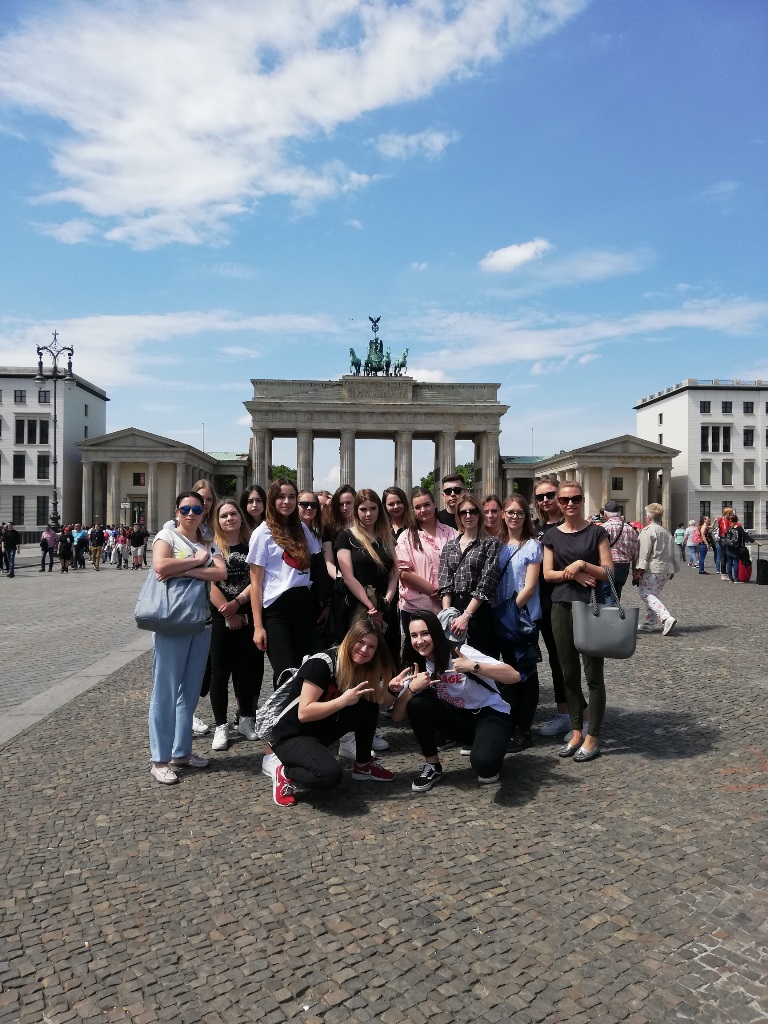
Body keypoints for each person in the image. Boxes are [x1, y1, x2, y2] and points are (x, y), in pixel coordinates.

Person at [270, 622, 405, 806]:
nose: (364, 650)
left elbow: (381, 704)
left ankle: (363, 765)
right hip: (292, 734)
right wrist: (342, 701)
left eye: (371, 647)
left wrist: (393, 690)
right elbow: (304, 713)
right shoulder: (322, 664)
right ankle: (285, 772)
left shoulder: (364, 668)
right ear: (349, 640)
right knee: (329, 777)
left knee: (368, 702)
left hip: (321, 729)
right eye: (360, 642)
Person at [390, 610, 520, 792]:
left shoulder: (460, 652)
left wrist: (474, 666)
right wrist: (411, 689)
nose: (419, 641)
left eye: (425, 633)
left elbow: (514, 676)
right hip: (459, 720)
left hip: (491, 715)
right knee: (417, 703)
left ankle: (492, 744)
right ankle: (433, 766)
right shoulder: (417, 665)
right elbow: (397, 717)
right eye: (414, 635)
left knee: (485, 767)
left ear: (436, 632)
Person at [148, 491, 226, 784]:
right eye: (185, 509)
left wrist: (189, 567)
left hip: (201, 624)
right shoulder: (166, 536)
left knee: (190, 692)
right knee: (165, 691)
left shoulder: (208, 542)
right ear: (176, 511)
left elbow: (221, 573)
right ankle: (159, 759)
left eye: (196, 508)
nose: (191, 513)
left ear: (204, 512)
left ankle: (181, 751)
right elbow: (160, 566)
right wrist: (199, 563)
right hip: (172, 623)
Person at [542, 479, 613, 762]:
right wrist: (573, 575)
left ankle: (592, 735)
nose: (570, 504)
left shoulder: (597, 532)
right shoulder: (551, 535)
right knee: (568, 674)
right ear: (558, 503)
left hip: (591, 607)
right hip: (560, 607)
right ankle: (575, 731)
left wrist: (583, 564)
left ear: (583, 501)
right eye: (564, 500)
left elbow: (608, 571)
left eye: (576, 499)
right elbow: (548, 574)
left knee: (594, 675)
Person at [248, 478, 323, 685]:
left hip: (304, 605)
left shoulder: (302, 529)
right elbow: (256, 583)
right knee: (286, 674)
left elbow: (317, 565)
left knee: (305, 671)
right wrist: (258, 627)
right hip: (277, 610)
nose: (286, 502)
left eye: (291, 497)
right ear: (272, 500)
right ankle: (283, 708)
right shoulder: (262, 533)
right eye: (281, 497)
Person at [208, 499, 263, 752]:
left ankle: (246, 718)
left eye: (233, 514)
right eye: (223, 515)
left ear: (241, 517)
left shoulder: (253, 544)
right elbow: (208, 584)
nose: (229, 518)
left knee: (246, 669)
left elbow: (258, 579)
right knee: (220, 671)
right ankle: (221, 724)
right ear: (217, 521)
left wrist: (238, 602)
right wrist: (228, 613)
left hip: (248, 612)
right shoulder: (211, 547)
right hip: (221, 616)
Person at [496, 495, 542, 750]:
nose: (515, 516)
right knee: (507, 671)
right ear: (503, 515)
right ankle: (512, 723)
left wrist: (511, 611)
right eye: (510, 512)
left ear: (526, 517)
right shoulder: (497, 544)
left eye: (520, 513)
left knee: (526, 672)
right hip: (501, 616)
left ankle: (525, 728)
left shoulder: (532, 545)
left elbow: (530, 585)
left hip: (522, 618)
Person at [396, 488, 456, 666]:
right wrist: (433, 591)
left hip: (446, 606)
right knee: (417, 658)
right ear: (413, 510)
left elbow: (459, 567)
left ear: (435, 504)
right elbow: (403, 572)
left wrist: (445, 593)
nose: (423, 510)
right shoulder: (406, 536)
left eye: (427, 504)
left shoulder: (451, 533)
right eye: (418, 507)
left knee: (446, 657)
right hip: (415, 606)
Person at [437, 492, 500, 657]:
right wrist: (448, 615)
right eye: (463, 512)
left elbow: (487, 581)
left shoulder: (490, 543)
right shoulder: (449, 546)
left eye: (473, 511)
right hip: (454, 606)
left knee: (482, 660)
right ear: (458, 516)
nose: (468, 515)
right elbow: (444, 583)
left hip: (480, 609)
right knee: (454, 661)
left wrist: (466, 616)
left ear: (479, 513)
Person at [530, 479, 570, 738]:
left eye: (550, 494)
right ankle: (563, 713)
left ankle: (577, 715)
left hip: (562, 599)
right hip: (538, 602)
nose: (545, 500)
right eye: (540, 497)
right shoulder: (535, 528)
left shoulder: (569, 525)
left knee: (565, 661)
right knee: (550, 660)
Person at [634, 503, 678, 633]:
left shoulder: (648, 531)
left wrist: (639, 568)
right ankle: (649, 622)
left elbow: (644, 551)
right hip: (666, 569)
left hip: (653, 568)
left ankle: (666, 617)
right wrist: (672, 568)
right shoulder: (666, 531)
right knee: (654, 595)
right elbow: (671, 552)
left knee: (646, 593)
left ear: (648, 517)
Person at [599, 500, 638, 603]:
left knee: (607, 594)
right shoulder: (630, 529)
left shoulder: (603, 528)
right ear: (619, 513)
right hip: (624, 566)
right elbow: (635, 552)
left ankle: (610, 613)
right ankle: (616, 611)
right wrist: (634, 571)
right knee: (617, 593)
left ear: (605, 514)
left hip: (608, 565)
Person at [723, 512, 753, 583]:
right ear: (737, 520)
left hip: (729, 547)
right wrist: (754, 541)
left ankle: (730, 578)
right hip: (736, 547)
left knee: (729, 563)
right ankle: (736, 578)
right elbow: (746, 536)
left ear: (731, 520)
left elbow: (726, 537)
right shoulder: (739, 528)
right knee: (736, 562)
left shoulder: (729, 528)